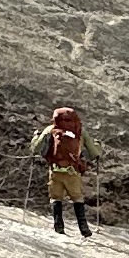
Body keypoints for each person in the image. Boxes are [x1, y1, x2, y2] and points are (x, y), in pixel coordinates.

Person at [29, 102, 95, 238]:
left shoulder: (50, 129)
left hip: (55, 171)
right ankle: (84, 229)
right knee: (77, 198)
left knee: (55, 198)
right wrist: (98, 146)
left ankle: (59, 227)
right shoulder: (80, 132)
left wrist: (35, 136)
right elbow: (94, 153)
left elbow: (35, 148)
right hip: (72, 172)